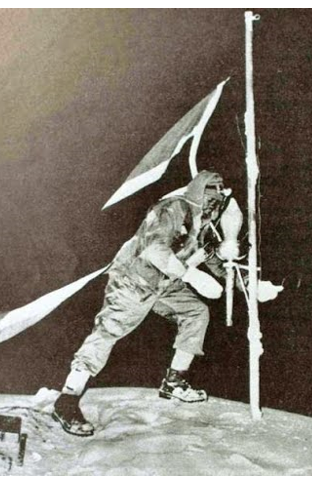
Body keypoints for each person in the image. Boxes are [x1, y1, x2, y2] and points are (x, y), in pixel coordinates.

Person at [52, 171, 233, 436]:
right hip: (133, 280)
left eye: (218, 197)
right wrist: (191, 275)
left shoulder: (203, 223)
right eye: (210, 194)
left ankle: (174, 381)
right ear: (199, 192)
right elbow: (154, 249)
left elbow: (215, 261)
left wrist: (249, 284)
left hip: (163, 284)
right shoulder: (174, 209)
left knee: (196, 312)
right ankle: (67, 400)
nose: (214, 202)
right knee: (108, 332)